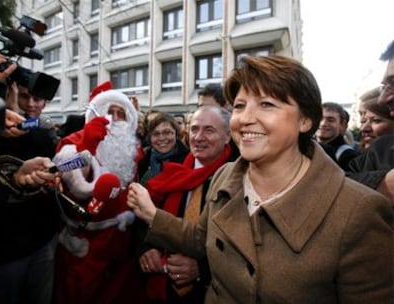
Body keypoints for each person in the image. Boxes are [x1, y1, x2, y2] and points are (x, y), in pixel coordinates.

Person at [127, 55, 394, 303]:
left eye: (266, 104)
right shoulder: (225, 177)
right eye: (240, 106)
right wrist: (152, 214)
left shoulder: (359, 211)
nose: (245, 118)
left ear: (306, 120)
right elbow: (202, 239)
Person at [53, 85, 145, 304]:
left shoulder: (130, 146)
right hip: (87, 247)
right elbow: (67, 174)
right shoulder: (75, 141)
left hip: (121, 245)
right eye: (108, 112)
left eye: (120, 113)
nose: (114, 118)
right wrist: (87, 148)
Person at [0, 52, 60, 304]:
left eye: (38, 99)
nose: (31, 104)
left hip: (43, 243)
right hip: (0, 254)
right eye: (24, 96)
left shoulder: (45, 137)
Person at [138, 106, 233, 303]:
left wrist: (202, 269)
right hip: (164, 290)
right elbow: (142, 219)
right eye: (194, 129)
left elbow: (240, 250)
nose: (198, 137)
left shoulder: (238, 179)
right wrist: (146, 248)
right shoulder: (174, 171)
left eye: (209, 130)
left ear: (227, 136)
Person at [347, 40, 394, 202]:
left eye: (393, 83)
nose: (383, 99)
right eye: (385, 86)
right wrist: (382, 183)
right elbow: (337, 184)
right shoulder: (381, 150)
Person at [138, 112, 189, 185]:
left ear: (175, 134)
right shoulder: (143, 163)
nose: (161, 138)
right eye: (156, 134)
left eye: (167, 132)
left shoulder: (188, 160)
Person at [315, 102, 360, 170]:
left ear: (343, 125)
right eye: (320, 119)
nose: (323, 123)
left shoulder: (348, 155)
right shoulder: (306, 147)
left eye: (330, 120)